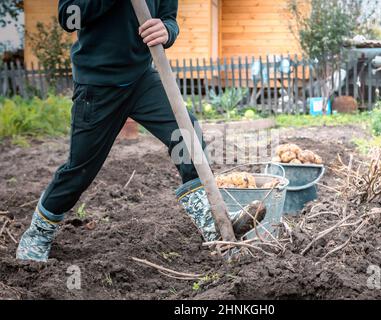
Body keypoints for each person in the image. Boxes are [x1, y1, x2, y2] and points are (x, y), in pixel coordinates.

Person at [16, 0, 262, 262]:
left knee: (187, 138)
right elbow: (69, 18)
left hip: (141, 79)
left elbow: (169, 19)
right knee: (80, 170)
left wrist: (167, 31)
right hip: (97, 85)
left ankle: (214, 223)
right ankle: (39, 232)